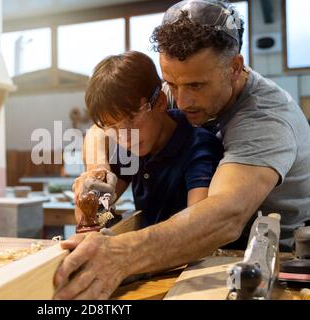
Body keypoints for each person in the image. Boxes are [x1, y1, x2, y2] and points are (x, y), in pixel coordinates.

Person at [54, 0, 310, 300]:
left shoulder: (266, 118)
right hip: (205, 252)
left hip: (277, 264)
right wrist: (99, 171)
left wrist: (123, 254)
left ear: (235, 67)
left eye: (196, 86)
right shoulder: (176, 90)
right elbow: (100, 129)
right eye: (171, 84)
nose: (181, 100)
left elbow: (224, 215)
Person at [78, 50, 223, 230]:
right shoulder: (132, 146)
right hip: (149, 252)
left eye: (132, 118)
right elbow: (96, 214)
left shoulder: (198, 147)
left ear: (160, 102)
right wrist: (95, 205)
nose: (125, 136)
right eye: (112, 127)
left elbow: (199, 226)